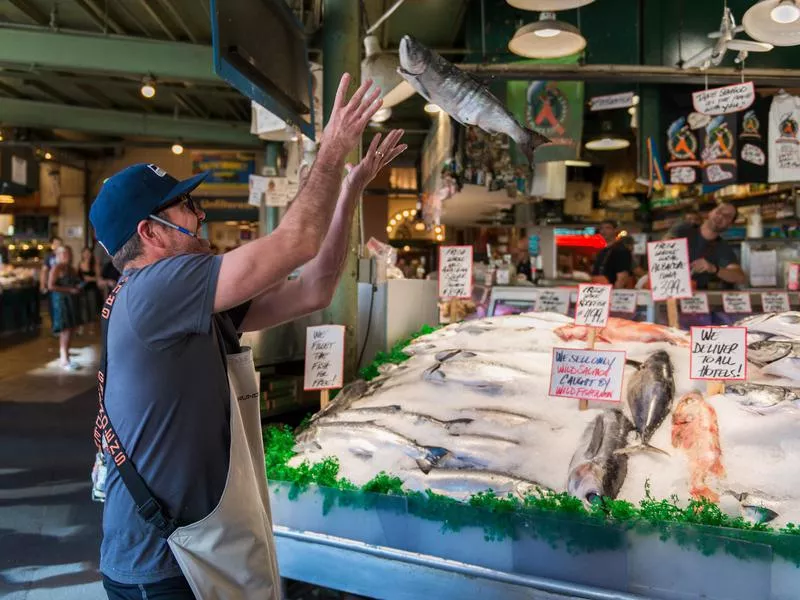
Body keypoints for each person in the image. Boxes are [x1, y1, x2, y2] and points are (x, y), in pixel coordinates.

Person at [91, 73, 406, 599]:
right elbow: (296, 240)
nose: (201, 212)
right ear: (148, 233)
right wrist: (331, 154)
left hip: (188, 548)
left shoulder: (185, 299)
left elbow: (314, 290)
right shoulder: (152, 289)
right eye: (185, 207)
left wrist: (349, 193)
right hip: (161, 566)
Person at [664, 202, 746, 290]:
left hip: (697, 296)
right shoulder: (683, 229)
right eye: (719, 211)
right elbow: (663, 246)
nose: (721, 216)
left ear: (729, 225)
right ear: (710, 212)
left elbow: (740, 277)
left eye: (727, 216)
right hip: (667, 287)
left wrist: (713, 268)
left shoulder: (722, 247)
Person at [48, 245, 83, 370]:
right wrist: (69, 290)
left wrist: (78, 286)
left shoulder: (71, 268)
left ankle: (66, 356)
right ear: (58, 255)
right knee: (65, 330)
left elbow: (76, 281)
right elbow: (51, 286)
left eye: (68, 253)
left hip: (71, 300)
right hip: (61, 301)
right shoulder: (56, 268)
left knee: (71, 328)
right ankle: (64, 359)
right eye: (64, 253)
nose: (66, 256)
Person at [591, 220, 634, 288]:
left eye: (608, 228)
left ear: (615, 230)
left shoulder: (621, 250)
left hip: (611, 292)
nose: (603, 231)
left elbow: (622, 278)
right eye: (601, 228)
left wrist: (615, 294)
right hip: (600, 291)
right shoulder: (602, 251)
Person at [78, 246, 103, 326]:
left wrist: (90, 279)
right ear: (82, 254)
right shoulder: (80, 263)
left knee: (92, 306)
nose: (86, 255)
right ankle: (85, 322)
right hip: (82, 288)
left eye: (88, 253)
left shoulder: (95, 264)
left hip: (92, 288)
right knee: (83, 306)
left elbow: (99, 278)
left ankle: (92, 323)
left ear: (91, 254)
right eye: (85, 253)